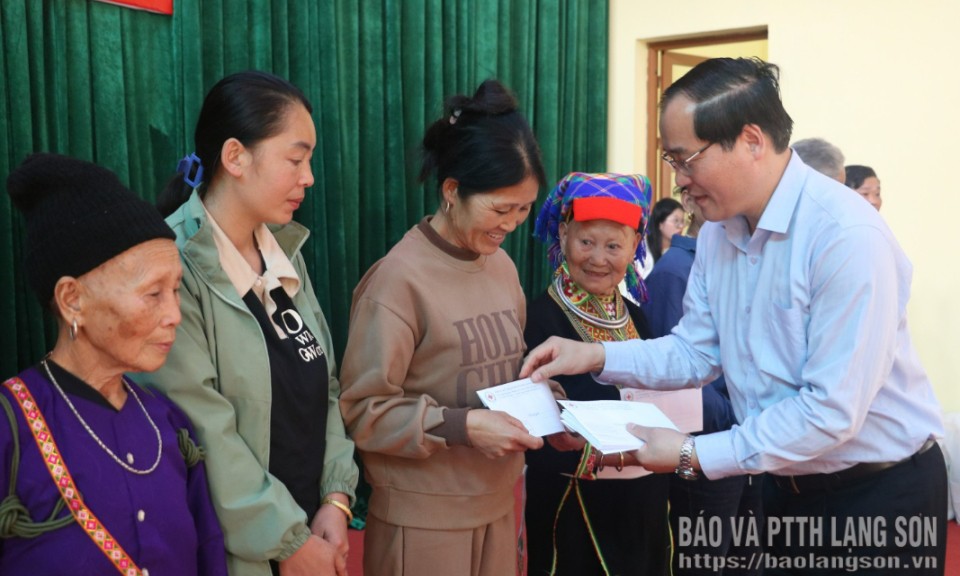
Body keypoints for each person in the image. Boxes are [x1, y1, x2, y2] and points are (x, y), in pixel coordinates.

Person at [521, 57, 946, 575]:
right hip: (782, 483)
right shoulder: (719, 234)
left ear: (750, 140)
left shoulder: (845, 238)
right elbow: (695, 351)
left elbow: (829, 412)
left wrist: (691, 455)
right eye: (672, 161)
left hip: (878, 493)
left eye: (686, 160)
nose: (679, 181)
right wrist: (593, 355)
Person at [146, 71, 358, 576]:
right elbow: (203, 432)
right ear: (235, 156)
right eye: (296, 159)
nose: (309, 177)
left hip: (311, 530)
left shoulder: (284, 253)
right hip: (237, 553)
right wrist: (290, 543)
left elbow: (325, 383)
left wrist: (336, 499)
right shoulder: (172, 266)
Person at [338, 79, 547, 576]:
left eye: (524, 209)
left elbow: (497, 374)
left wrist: (544, 403)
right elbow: (362, 411)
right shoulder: (397, 280)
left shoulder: (501, 267)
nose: (511, 224)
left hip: (498, 504)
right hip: (423, 523)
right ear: (452, 191)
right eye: (500, 209)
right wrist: (461, 427)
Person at [0, 153, 227, 576]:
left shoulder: (168, 426)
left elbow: (209, 555)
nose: (174, 315)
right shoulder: (10, 431)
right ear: (72, 300)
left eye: (176, 290)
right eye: (153, 293)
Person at [524, 172, 670, 576]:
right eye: (586, 242)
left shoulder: (638, 317)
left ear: (635, 245)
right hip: (573, 507)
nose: (598, 258)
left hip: (646, 504)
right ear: (564, 233)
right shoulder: (538, 320)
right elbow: (533, 430)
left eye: (613, 246)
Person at [643, 186, 761, 576]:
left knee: (746, 559)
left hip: (744, 439)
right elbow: (678, 372)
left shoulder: (736, 258)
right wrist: (735, 414)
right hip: (707, 441)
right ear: (693, 204)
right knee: (705, 560)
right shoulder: (674, 271)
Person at [646, 197, 685, 263]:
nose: (681, 226)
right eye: (676, 221)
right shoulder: (645, 251)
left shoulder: (681, 252)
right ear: (660, 223)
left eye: (682, 221)